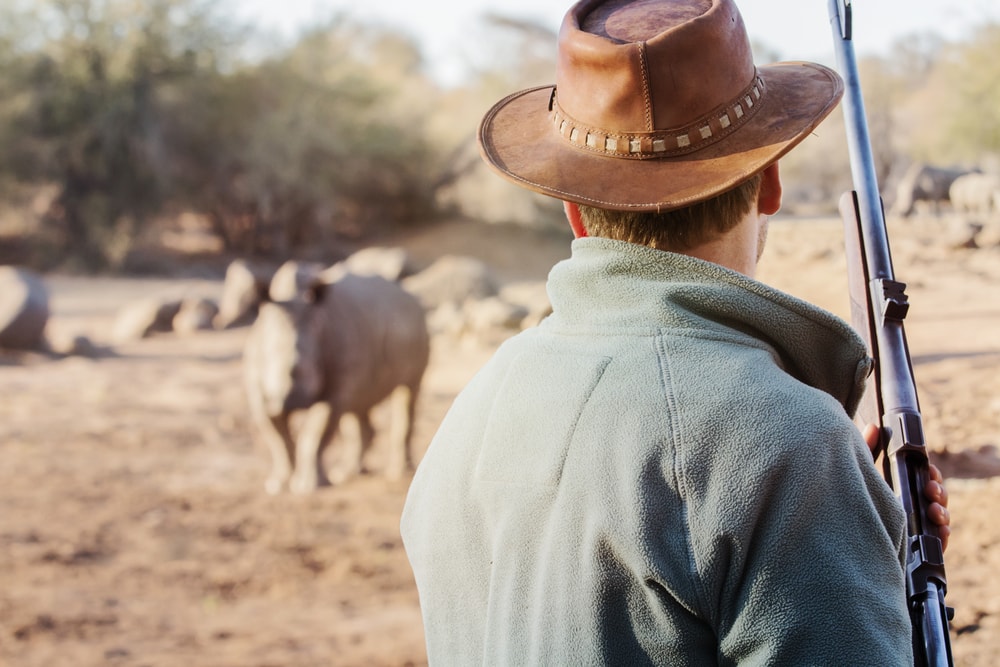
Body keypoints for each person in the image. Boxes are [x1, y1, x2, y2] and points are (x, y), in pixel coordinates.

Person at [401, 0, 951, 663]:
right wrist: (825, 494)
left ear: (574, 210)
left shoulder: (473, 413)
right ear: (770, 180)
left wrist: (854, 534)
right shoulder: (793, 446)